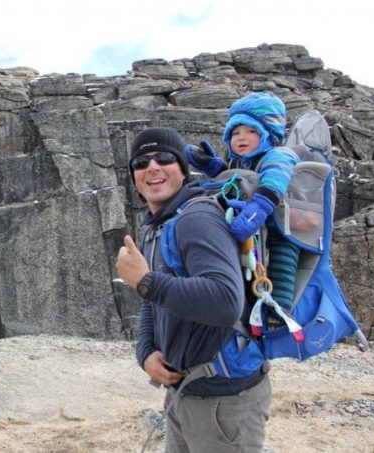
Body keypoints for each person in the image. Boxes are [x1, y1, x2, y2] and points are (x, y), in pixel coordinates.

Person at [116, 127, 271, 452]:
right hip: (185, 391)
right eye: (141, 162)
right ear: (134, 178)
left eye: (165, 158)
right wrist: (145, 351)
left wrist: (146, 281)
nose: (153, 167)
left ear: (184, 170)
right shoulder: (157, 227)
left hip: (224, 402)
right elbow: (153, 302)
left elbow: (226, 301)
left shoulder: (196, 219)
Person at [186, 92, 301, 311]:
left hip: (279, 223)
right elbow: (238, 180)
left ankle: (279, 310)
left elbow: (275, 180)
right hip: (251, 229)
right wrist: (213, 167)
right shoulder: (241, 162)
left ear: (270, 134)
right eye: (235, 132)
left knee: (283, 253)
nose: (241, 137)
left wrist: (260, 207)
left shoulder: (278, 155)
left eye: (251, 131)